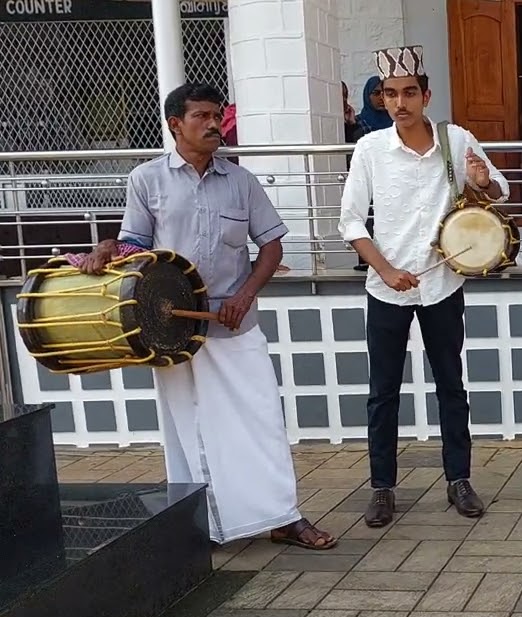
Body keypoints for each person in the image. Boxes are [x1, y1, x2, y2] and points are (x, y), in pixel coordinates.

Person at [78, 83, 335, 550]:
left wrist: (244, 295)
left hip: (234, 323)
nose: (214, 124)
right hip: (170, 327)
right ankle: (203, 524)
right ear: (176, 123)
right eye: (202, 116)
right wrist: (105, 249)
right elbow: (134, 243)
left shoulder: (241, 180)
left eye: (217, 115)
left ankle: (283, 517)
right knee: (189, 429)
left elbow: (272, 245)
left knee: (261, 422)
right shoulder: (146, 179)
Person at [339, 45, 509, 527]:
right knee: (383, 392)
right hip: (387, 288)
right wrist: (387, 270)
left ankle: (459, 480)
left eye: (409, 92)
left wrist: (482, 181)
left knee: (451, 386)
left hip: (442, 284)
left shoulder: (455, 139)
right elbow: (350, 221)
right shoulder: (371, 149)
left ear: (426, 94)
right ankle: (382, 488)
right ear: (381, 99)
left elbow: (500, 190)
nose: (399, 103)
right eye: (390, 94)